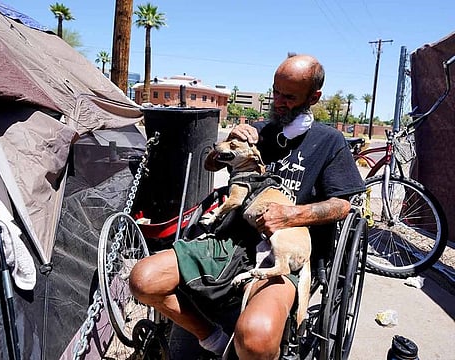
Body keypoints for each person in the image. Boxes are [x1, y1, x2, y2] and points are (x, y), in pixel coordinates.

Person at [129, 54, 366, 359]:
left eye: (289, 96)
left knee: (255, 340)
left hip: (282, 250)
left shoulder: (329, 141)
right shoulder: (258, 132)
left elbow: (342, 205)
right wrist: (229, 140)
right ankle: (211, 337)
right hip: (230, 240)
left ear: (314, 97)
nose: (278, 101)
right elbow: (210, 163)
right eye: (275, 91)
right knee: (143, 280)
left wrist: (293, 214)